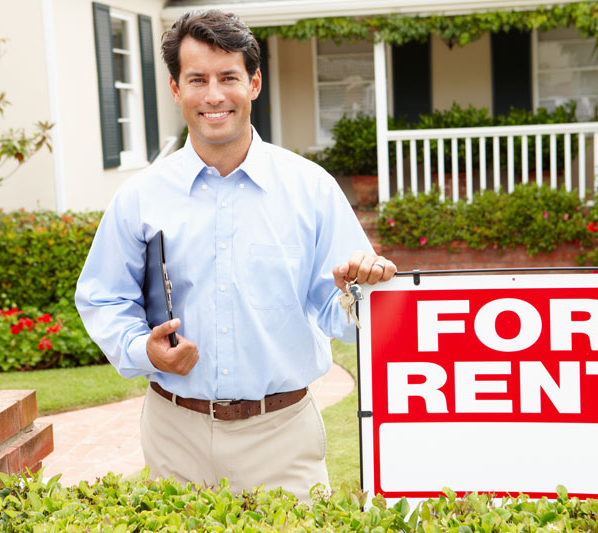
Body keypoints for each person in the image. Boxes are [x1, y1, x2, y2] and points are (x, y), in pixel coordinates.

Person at [75, 9, 396, 501]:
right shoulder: (140, 197)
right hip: (173, 432)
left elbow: (343, 315)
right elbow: (102, 298)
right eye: (197, 79)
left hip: (282, 436)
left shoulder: (310, 189)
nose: (214, 95)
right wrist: (144, 350)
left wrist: (361, 290)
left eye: (228, 77)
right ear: (176, 89)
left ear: (255, 82)